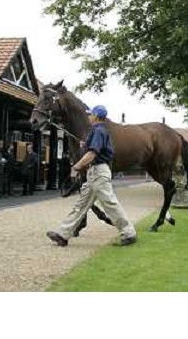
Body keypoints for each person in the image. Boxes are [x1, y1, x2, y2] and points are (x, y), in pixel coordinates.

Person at [46, 105, 137, 247]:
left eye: (90, 114)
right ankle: (63, 234)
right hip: (95, 174)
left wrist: (76, 166)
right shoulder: (98, 131)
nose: (88, 116)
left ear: (96, 116)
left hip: (98, 173)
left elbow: (92, 154)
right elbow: (94, 149)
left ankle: (129, 233)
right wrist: (85, 145)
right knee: (81, 204)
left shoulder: (99, 131)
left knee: (110, 204)